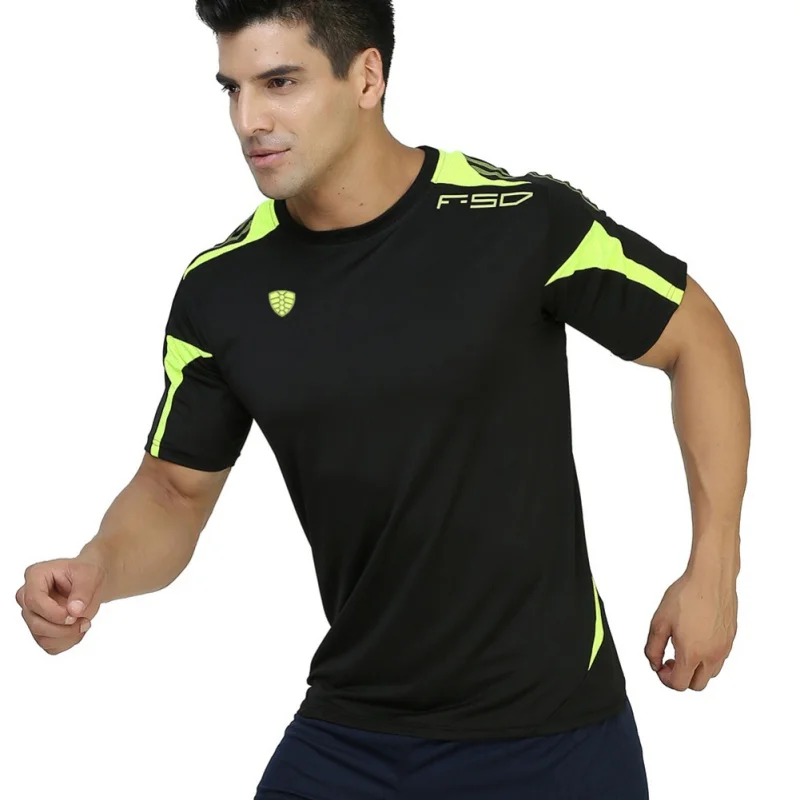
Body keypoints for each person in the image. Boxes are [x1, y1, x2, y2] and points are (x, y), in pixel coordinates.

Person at [15, 1, 748, 798]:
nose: (248, 120)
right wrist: (97, 568)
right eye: (232, 88)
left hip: (553, 737)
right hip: (353, 734)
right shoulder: (221, 289)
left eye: (280, 83)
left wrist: (713, 569)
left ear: (367, 77)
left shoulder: (519, 223)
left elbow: (698, 341)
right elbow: (172, 491)